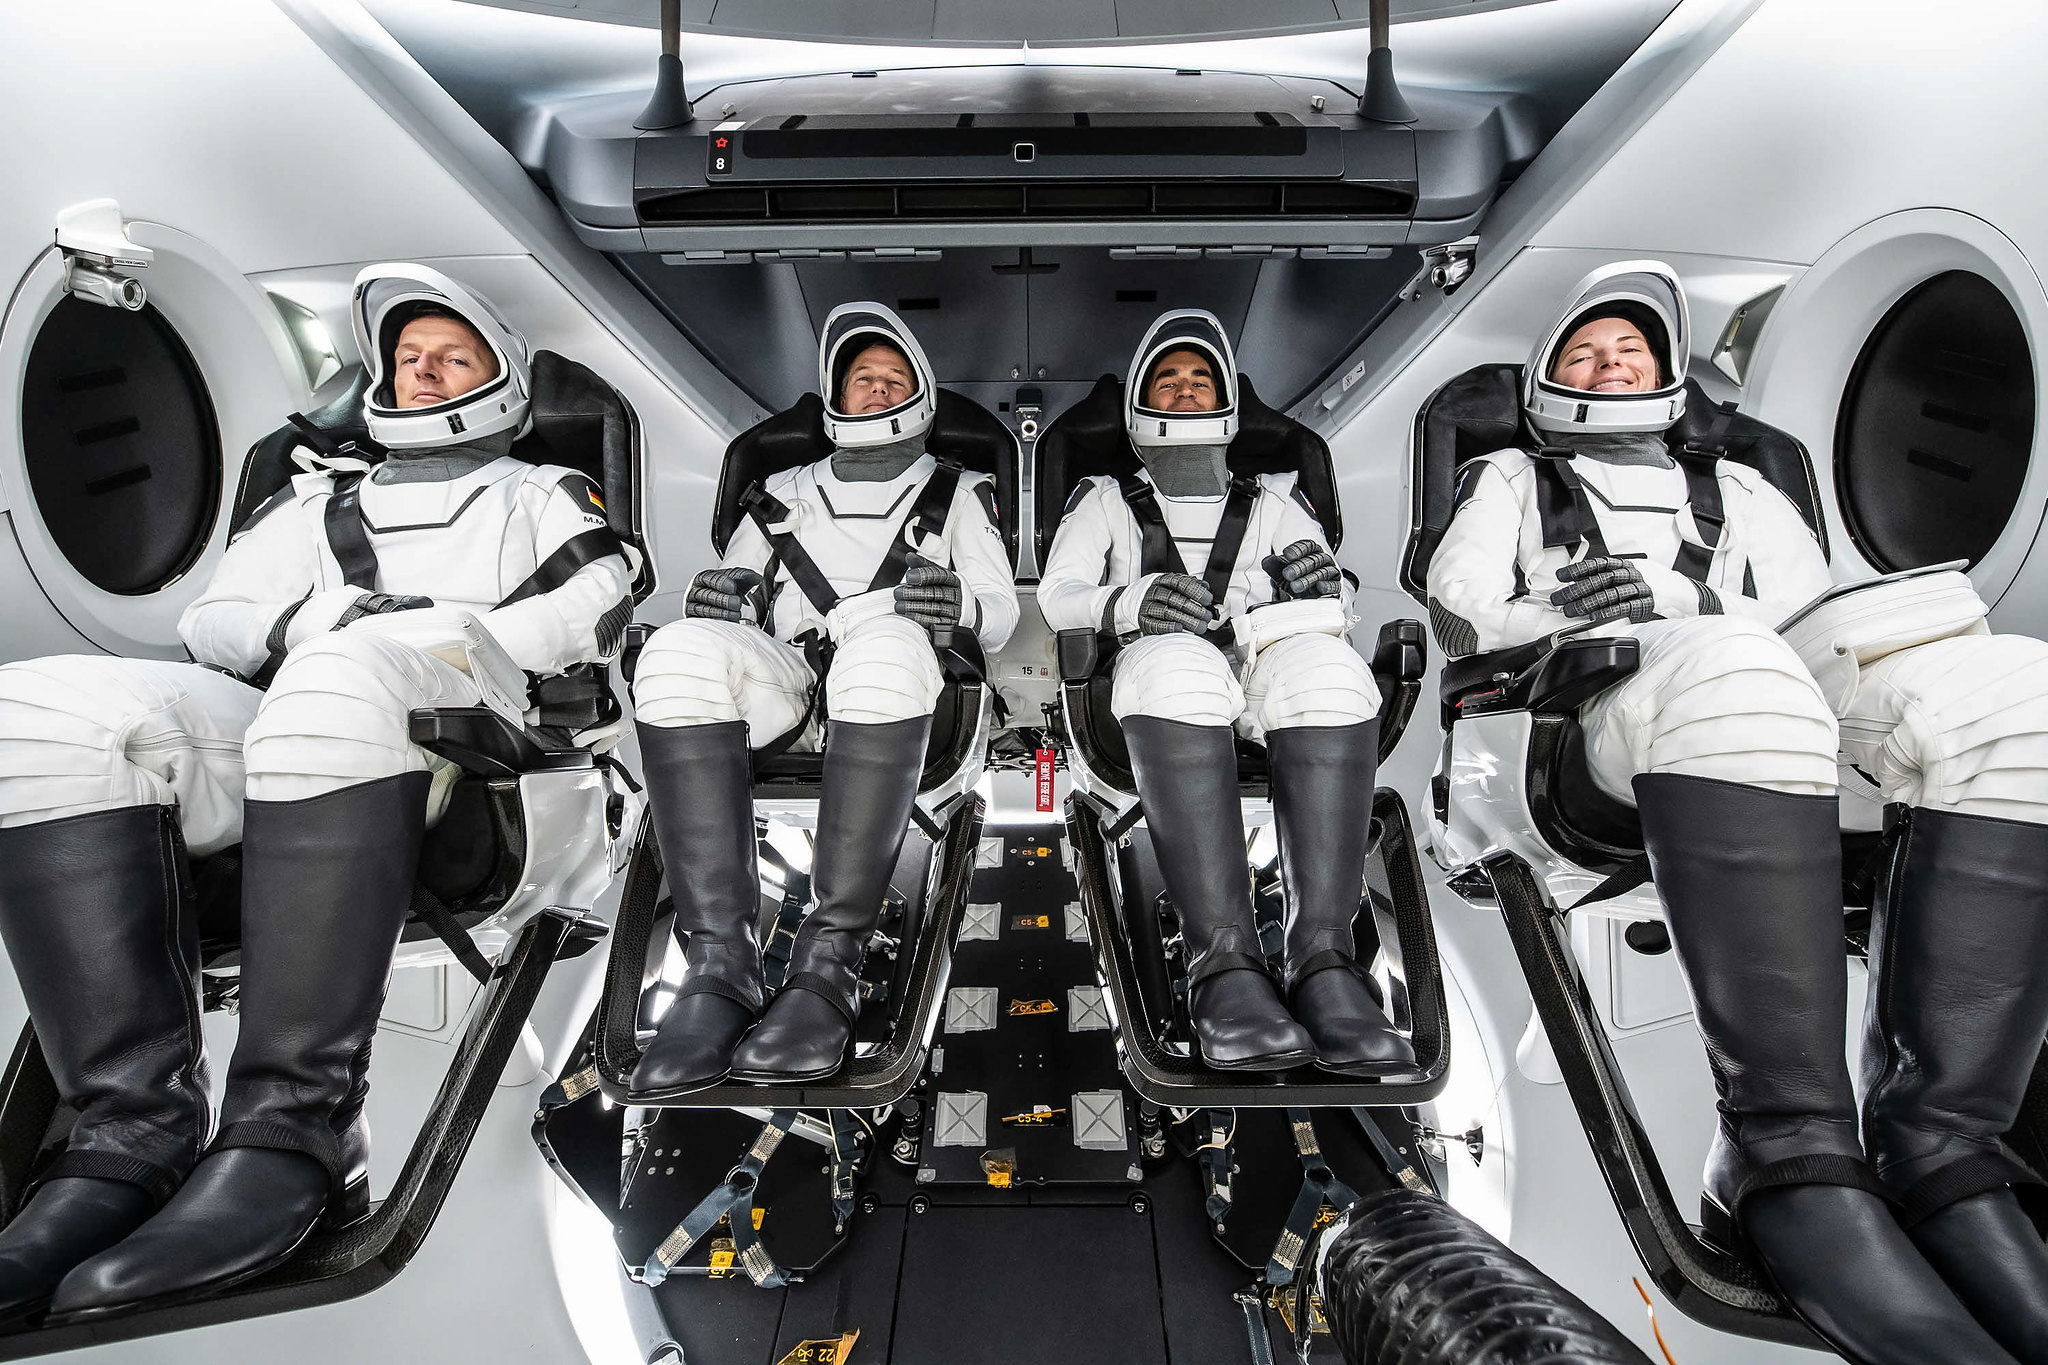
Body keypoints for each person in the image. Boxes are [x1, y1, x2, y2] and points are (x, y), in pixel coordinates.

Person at [1428, 259, 2048, 1364]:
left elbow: (1810, 611)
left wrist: (1690, 597)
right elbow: (1466, 608)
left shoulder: (1746, 490)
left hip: (1756, 682)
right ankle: (1781, 1151)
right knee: (1731, 661)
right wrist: (1601, 611)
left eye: (1630, 352)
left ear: (1667, 379)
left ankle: (1938, 1143)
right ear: (1544, 384)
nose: (1610, 364)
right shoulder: (1512, 480)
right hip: (1580, 716)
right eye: (1585, 353)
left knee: (2016, 694)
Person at [0, 264, 633, 1318]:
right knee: (35, 709)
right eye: (408, 358)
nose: (425, 373)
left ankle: (297, 1132)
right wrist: (316, 623)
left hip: (472, 750)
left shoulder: (541, 494)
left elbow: (588, 612)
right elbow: (216, 626)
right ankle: (128, 1138)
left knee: (347, 673)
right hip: (307, 712)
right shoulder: (310, 502)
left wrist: (410, 632)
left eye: (453, 358)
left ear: (503, 381)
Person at [626, 303, 1016, 1095]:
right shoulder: (776, 492)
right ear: (837, 395)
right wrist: (718, 597)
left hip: (900, 675)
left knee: (884, 642)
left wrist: (959, 605)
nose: (875, 390)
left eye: (892, 378)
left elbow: (1001, 612)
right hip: (792, 679)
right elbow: (730, 595)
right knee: (674, 651)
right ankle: (718, 972)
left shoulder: (960, 491)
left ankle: (828, 969)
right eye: (861, 378)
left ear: (922, 396)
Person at [1037, 310, 1413, 1078]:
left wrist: (1328, 584)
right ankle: (1224, 969)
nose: (1183, 391)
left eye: (1199, 378)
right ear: (1142, 404)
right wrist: (1129, 602)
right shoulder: (1105, 496)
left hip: (1267, 658)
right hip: (1162, 661)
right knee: (1179, 665)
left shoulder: (1276, 498)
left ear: (1226, 401)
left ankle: (1325, 965)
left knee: (1333, 673)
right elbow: (1059, 594)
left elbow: (1338, 595)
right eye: (1167, 381)